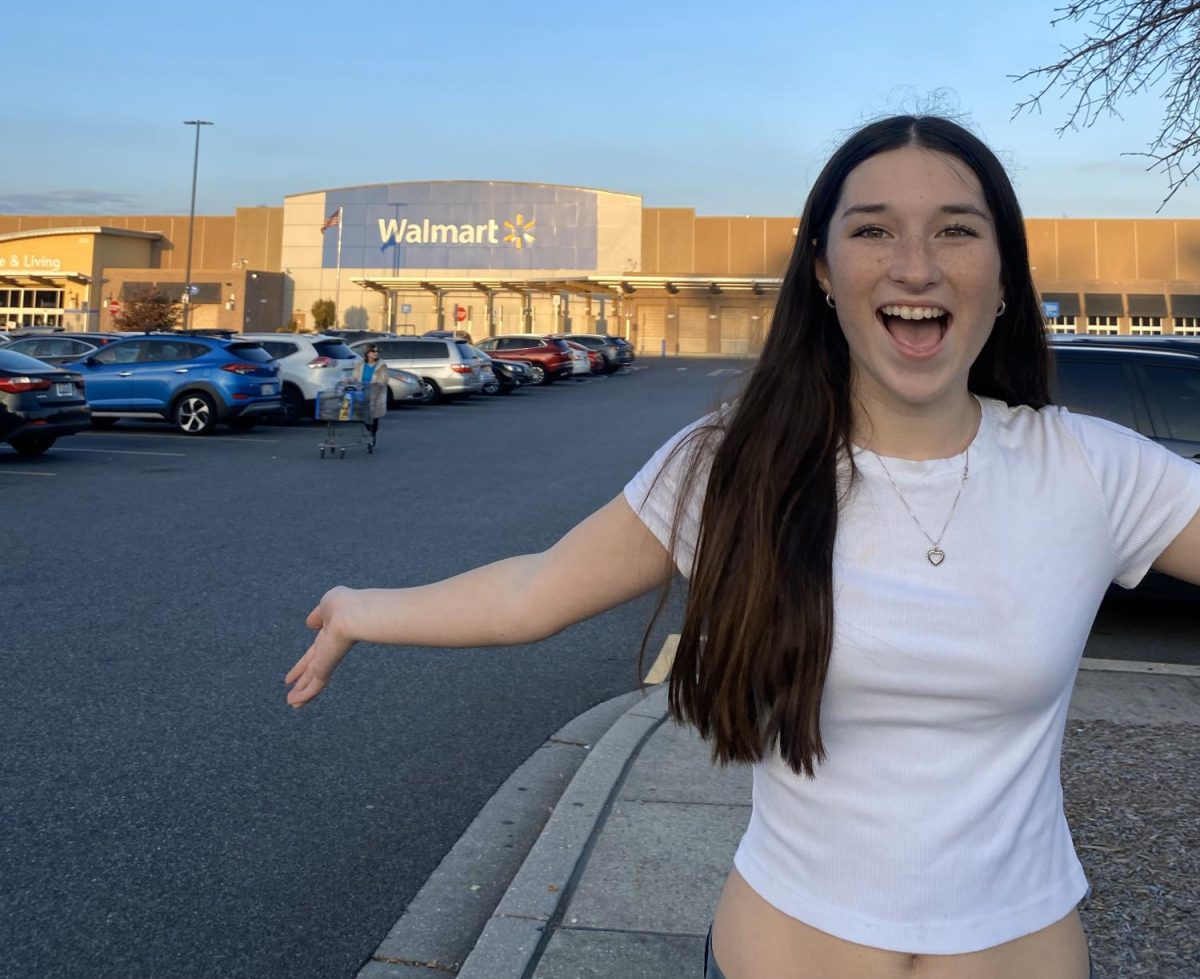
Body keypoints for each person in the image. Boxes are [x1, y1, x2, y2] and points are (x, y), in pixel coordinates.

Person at [284, 116, 1200, 979]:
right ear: (823, 272)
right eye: (874, 231)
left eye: (956, 231)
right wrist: (363, 609)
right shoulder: (738, 464)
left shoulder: (1089, 468)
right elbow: (535, 589)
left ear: (1004, 276)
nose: (915, 266)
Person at [351, 344, 389, 442]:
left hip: (375, 392)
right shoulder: (360, 364)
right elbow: (355, 376)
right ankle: (370, 431)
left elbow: (384, 378)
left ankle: (373, 434)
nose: (376, 353)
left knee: (374, 415)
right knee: (363, 414)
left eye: (377, 351)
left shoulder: (381, 365)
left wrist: (379, 382)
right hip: (362, 391)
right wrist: (350, 380)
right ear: (368, 353)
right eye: (373, 351)